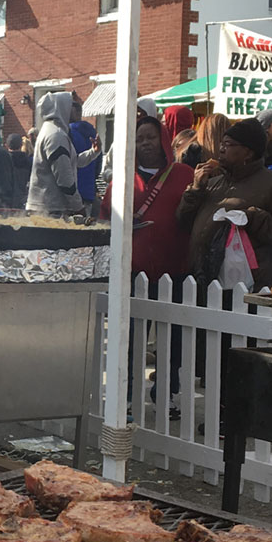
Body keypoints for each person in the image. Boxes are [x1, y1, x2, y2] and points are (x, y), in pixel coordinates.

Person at [101, 115, 195, 410]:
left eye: (151, 137)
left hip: (175, 270)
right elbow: (105, 221)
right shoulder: (122, 180)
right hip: (132, 272)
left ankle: (167, 393)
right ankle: (125, 395)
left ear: (163, 139)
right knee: (128, 338)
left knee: (172, 339)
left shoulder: (184, 175)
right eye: (139, 138)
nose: (146, 144)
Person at [177, 118, 272, 290]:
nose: (221, 149)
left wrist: (252, 217)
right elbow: (183, 221)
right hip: (202, 282)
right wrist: (196, 189)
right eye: (221, 144)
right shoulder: (213, 183)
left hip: (245, 285)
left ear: (248, 152)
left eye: (228, 144)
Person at [26, 92, 97, 215]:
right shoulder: (56, 135)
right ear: (60, 107)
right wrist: (79, 207)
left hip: (47, 207)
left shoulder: (50, 131)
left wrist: (93, 152)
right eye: (69, 105)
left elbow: (70, 163)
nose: (71, 110)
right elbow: (64, 179)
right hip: (52, 209)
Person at [68, 95, 103, 209]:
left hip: (72, 191)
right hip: (89, 190)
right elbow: (98, 162)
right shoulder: (93, 133)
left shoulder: (67, 133)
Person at [5, 133, 32, 209]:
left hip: (8, 201)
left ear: (6, 145)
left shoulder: (5, 160)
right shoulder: (28, 161)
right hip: (24, 199)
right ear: (21, 145)